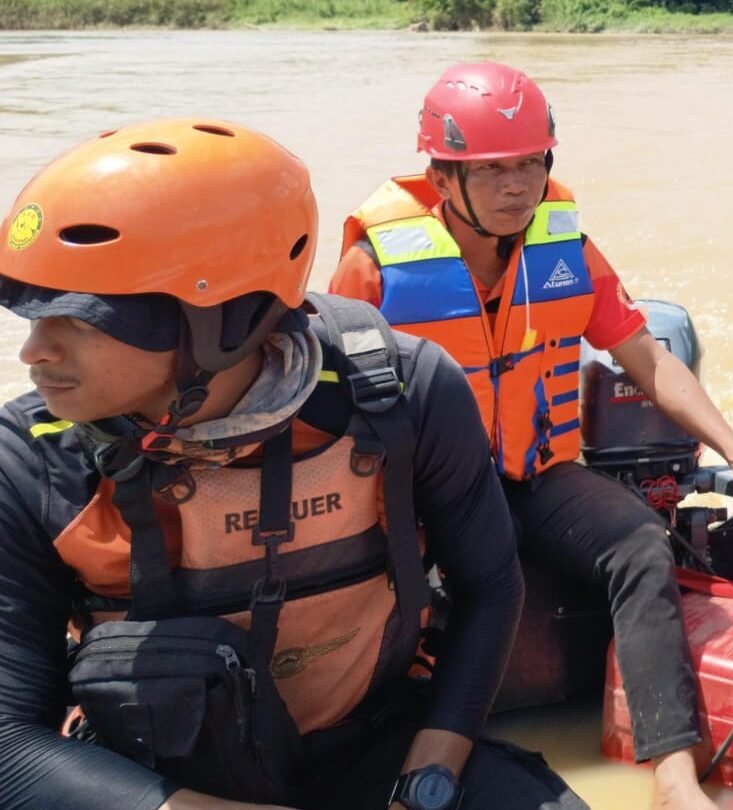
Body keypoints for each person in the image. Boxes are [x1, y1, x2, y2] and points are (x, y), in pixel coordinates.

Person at [0, 119, 583, 810]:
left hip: (374, 744)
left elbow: (491, 587)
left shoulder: (405, 392)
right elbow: (12, 748)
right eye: (33, 317)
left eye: (81, 318)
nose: (34, 352)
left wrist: (430, 774)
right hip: (155, 781)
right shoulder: (30, 460)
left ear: (226, 320)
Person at [329, 62, 733, 810]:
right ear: (443, 178)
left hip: (535, 473)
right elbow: (330, 412)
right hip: (430, 493)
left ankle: (674, 776)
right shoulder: (375, 268)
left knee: (640, 542)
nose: (518, 186)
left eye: (531, 165)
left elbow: (644, 355)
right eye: (494, 170)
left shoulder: (565, 249)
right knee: (447, 585)